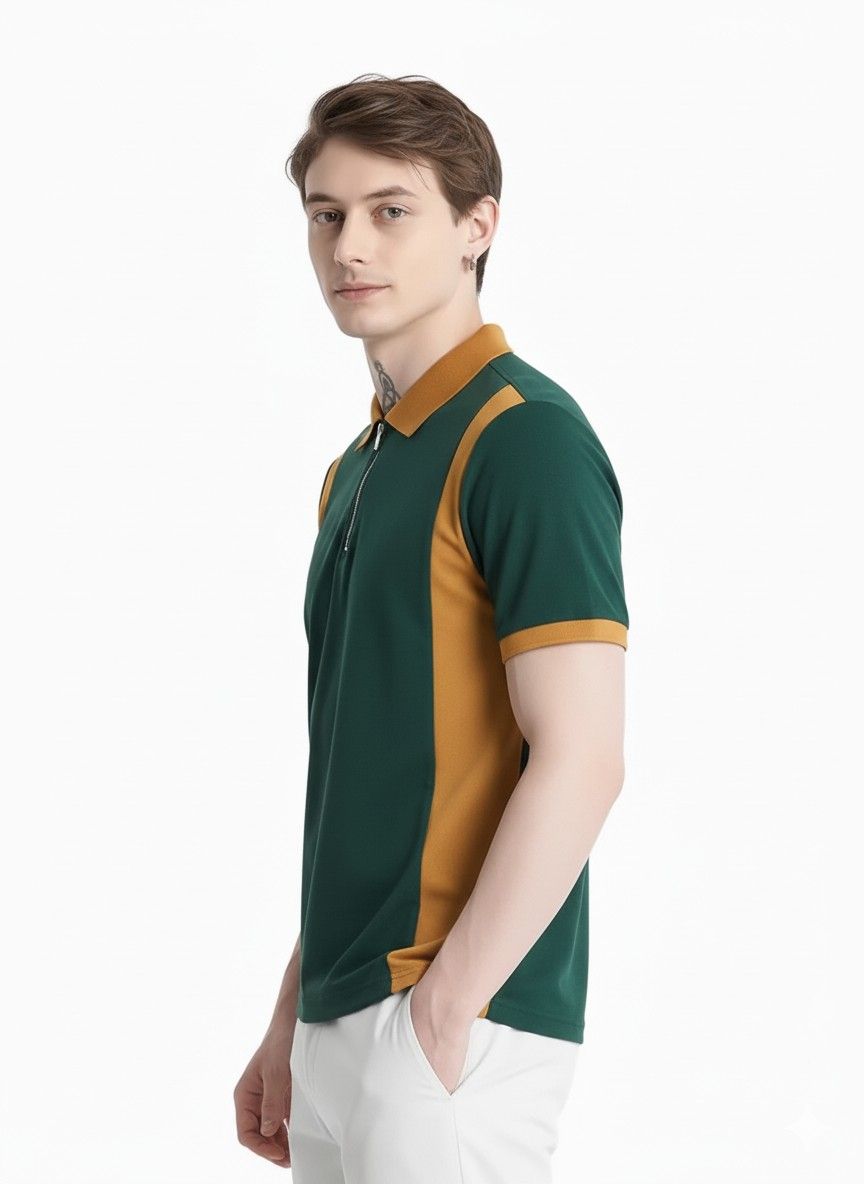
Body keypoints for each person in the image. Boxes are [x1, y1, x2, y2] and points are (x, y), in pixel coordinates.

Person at [233, 72, 629, 1183]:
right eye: (327, 213)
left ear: (476, 227)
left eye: (391, 209)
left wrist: (445, 1013)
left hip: (452, 1024)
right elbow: (375, 775)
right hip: (345, 1017)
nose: (350, 244)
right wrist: (294, 1014)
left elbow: (584, 755)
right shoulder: (359, 468)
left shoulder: (524, 439)